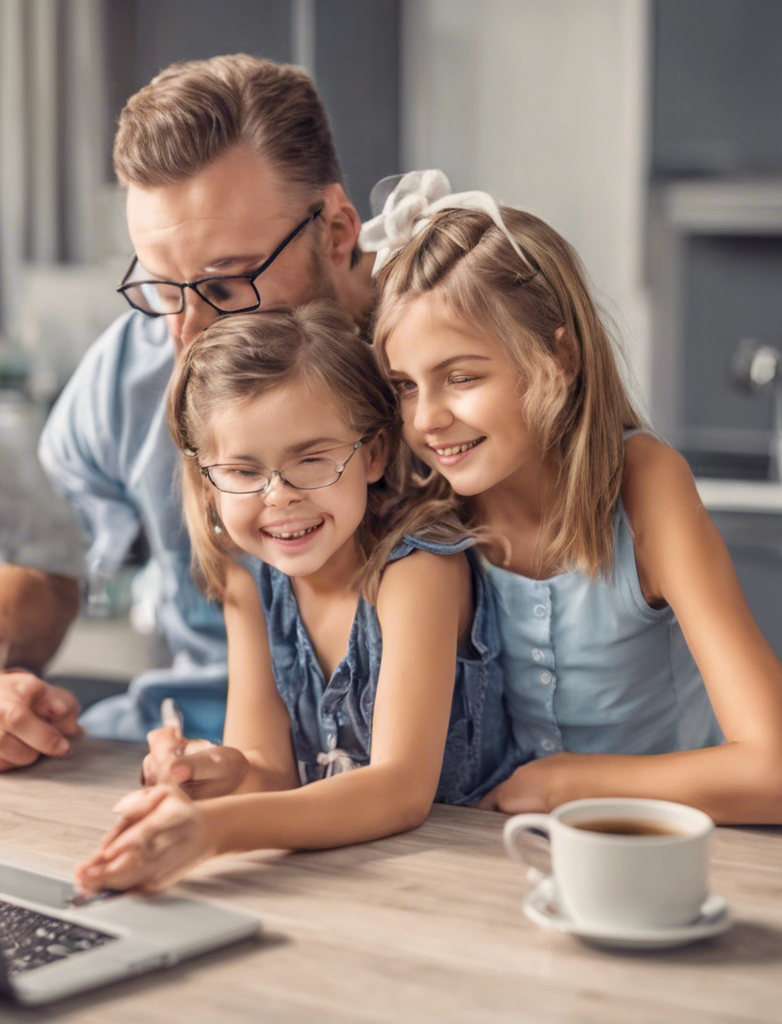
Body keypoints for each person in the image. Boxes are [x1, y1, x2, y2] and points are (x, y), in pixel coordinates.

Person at [0, 55, 377, 769]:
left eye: (228, 286)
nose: (188, 334)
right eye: (163, 289)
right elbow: (47, 564)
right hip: (180, 755)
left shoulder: (444, 368)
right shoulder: (131, 367)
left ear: (338, 232)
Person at [365, 171, 782, 824]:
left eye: (462, 376)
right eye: (405, 385)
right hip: (524, 847)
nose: (427, 420)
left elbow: (776, 769)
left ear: (555, 359)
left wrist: (569, 785)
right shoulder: (435, 519)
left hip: (702, 846)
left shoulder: (646, 485)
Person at [74, 301, 521, 894]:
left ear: (374, 453)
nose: (279, 496)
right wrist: (216, 772)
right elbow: (270, 770)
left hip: (460, 875)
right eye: (241, 471)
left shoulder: (418, 569)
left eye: (311, 460)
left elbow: (400, 789)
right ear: (207, 481)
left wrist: (212, 828)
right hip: (336, 877)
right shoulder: (246, 579)